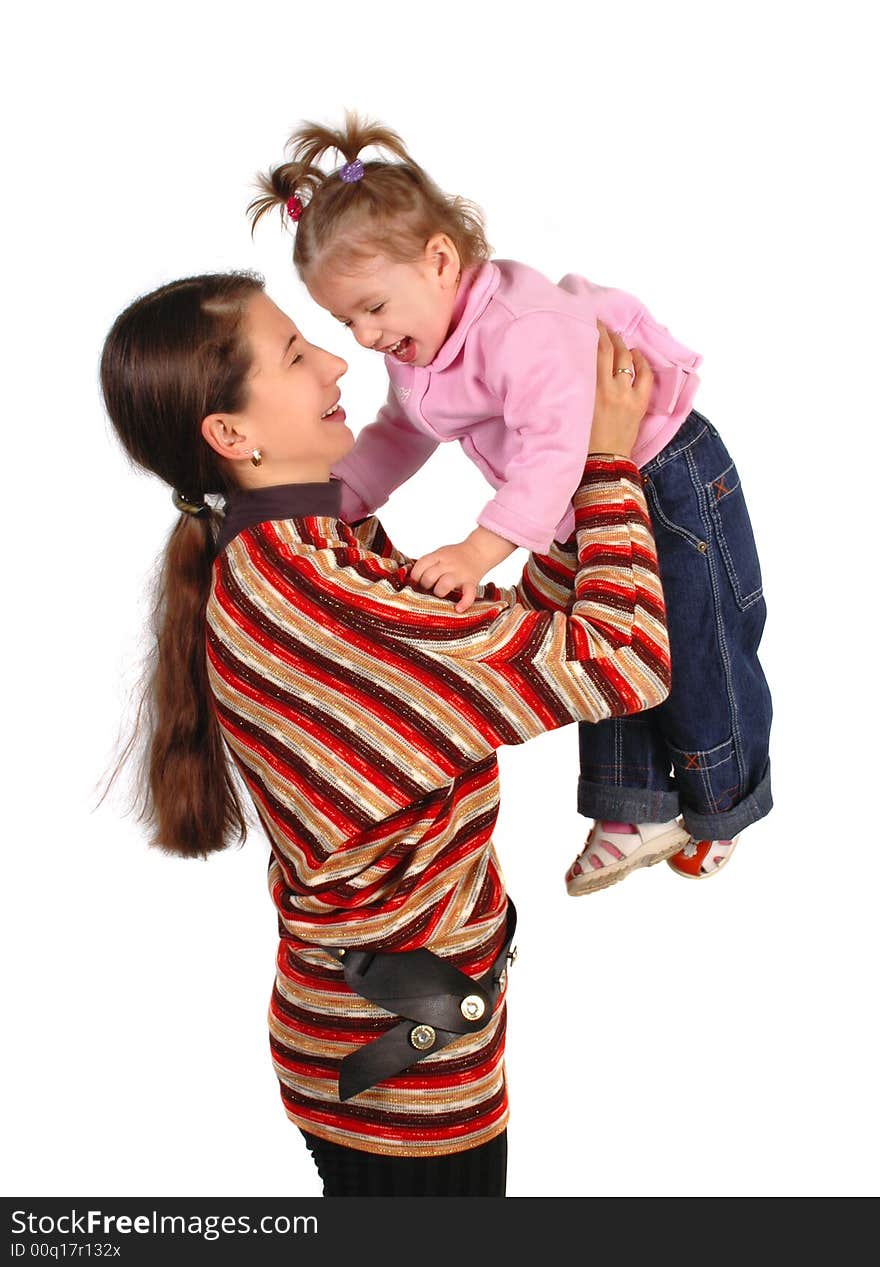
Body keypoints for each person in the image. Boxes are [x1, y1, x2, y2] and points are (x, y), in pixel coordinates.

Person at [100, 270, 668, 1196]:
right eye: (294, 354)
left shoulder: (319, 551)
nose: (338, 361)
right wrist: (606, 466)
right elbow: (622, 660)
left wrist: (554, 468)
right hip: (404, 1089)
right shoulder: (319, 597)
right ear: (232, 435)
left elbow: (497, 658)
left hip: (383, 1054)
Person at [248, 113, 773, 891]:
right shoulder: (419, 347)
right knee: (606, 630)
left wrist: (479, 549)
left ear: (438, 261)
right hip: (587, 493)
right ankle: (637, 805)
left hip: (666, 473)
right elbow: (405, 430)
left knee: (697, 642)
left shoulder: (520, 328)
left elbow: (563, 445)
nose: (363, 335)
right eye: (344, 319)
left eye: (373, 307)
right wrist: (344, 494)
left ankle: (722, 802)